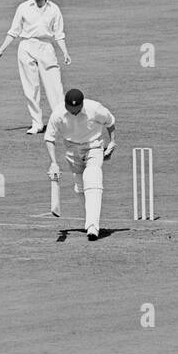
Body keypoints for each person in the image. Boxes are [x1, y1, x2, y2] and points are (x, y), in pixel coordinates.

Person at [0, 0, 71, 134]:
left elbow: (59, 34)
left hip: (46, 47)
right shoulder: (23, 7)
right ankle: (37, 124)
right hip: (26, 46)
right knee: (31, 87)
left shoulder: (54, 9)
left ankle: (60, 122)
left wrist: (65, 52)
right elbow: (13, 31)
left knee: (54, 86)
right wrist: (1, 49)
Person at [45, 89, 116, 242]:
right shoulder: (57, 114)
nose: (74, 114)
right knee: (80, 186)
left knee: (92, 176)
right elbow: (49, 138)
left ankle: (92, 226)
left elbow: (110, 122)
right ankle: (89, 221)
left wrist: (112, 142)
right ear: (65, 105)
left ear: (82, 105)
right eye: (71, 112)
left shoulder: (95, 109)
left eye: (77, 111)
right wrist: (53, 163)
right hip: (72, 150)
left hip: (93, 146)